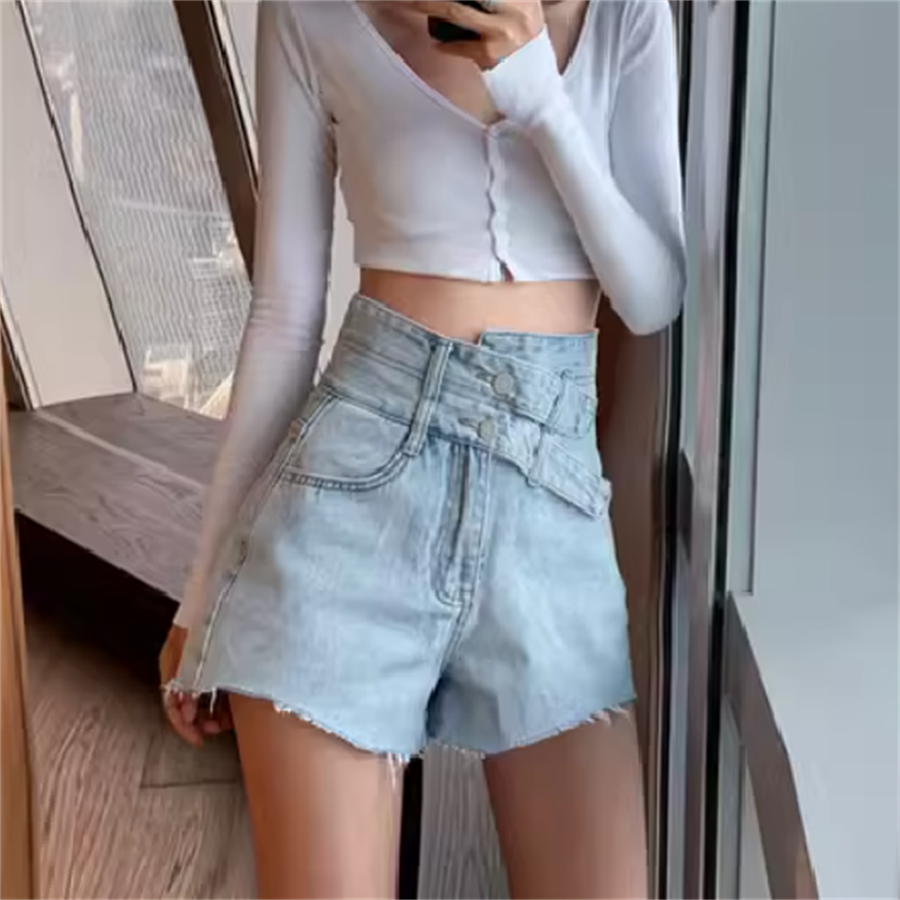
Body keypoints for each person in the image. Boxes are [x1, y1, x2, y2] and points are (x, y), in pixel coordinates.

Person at [160, 0, 685, 896]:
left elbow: (652, 294)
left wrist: (537, 92)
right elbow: (285, 315)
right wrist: (205, 596)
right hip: (351, 490)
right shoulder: (310, 15)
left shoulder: (626, 15)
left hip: (550, 505)